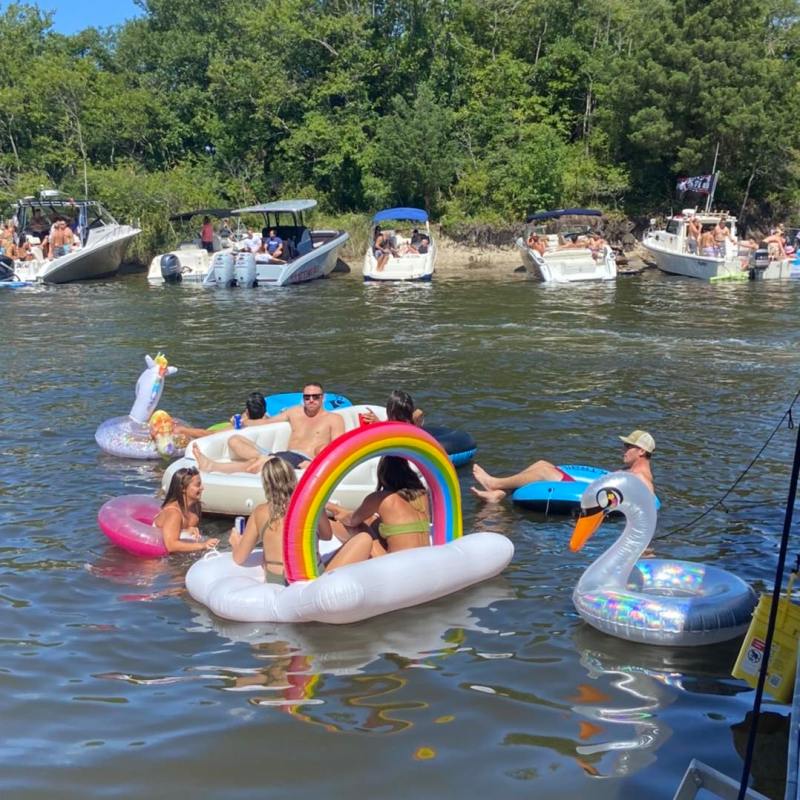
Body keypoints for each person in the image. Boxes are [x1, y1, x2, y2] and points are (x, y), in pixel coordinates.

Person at [229, 456, 373, 584]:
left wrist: (236, 542)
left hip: (276, 579)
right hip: (310, 578)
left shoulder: (259, 512)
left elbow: (239, 558)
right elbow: (327, 536)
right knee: (364, 539)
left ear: (266, 484)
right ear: (292, 478)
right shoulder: (311, 504)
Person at [471, 429, 656, 503]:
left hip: (584, 493)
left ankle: (495, 483)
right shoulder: (629, 471)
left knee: (543, 471)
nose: (624, 449)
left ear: (641, 451)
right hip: (584, 487)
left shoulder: (641, 477)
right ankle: (499, 494)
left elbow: (650, 501)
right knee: (542, 463)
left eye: (628, 446)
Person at [193, 382, 345, 472]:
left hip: (303, 460)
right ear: (303, 398)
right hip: (284, 454)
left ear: (323, 398)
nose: (311, 400)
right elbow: (267, 422)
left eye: (315, 397)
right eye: (307, 397)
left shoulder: (334, 419)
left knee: (257, 465)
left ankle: (213, 466)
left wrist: (314, 464)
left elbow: (338, 450)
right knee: (234, 440)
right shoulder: (294, 412)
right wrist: (244, 422)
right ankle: (264, 458)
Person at [326, 455, 431, 558]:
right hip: (424, 560)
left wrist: (331, 508)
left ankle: (326, 525)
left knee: (360, 528)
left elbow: (351, 520)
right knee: (372, 520)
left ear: (383, 474)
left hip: (397, 564)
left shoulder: (381, 498)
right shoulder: (422, 495)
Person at [152, 467, 220, 553]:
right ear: (183, 488)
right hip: (159, 554)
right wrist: (203, 545)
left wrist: (188, 530)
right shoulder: (174, 513)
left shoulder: (196, 507)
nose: (202, 488)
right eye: (198, 485)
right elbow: (170, 546)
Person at [174, 391, 267, 441]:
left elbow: (209, 434)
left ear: (247, 411)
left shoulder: (240, 426)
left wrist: (183, 430)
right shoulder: (269, 422)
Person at [359, 388, 425, 427]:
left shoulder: (410, 420)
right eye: (400, 415)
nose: (403, 418)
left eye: (406, 414)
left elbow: (419, 412)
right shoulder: (390, 420)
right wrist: (379, 423)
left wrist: (379, 424)